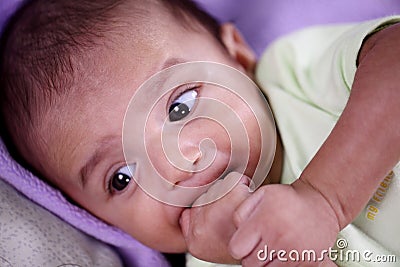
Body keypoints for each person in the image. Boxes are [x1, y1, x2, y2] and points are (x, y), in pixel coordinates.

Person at [0, 0, 398, 266]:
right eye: (123, 177)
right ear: (100, 221)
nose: (177, 164)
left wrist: (324, 199)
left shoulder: (293, 76)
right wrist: (257, 251)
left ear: (238, 59)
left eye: (180, 106)